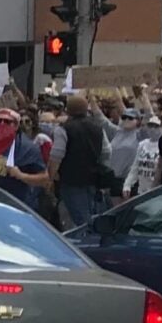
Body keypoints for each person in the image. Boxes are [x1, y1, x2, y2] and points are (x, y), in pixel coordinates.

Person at [54, 92, 113, 230]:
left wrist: (52, 176)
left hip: (71, 180)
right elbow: (107, 152)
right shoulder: (98, 128)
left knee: (80, 220)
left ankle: (85, 244)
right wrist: (100, 168)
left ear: (67, 110)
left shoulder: (63, 130)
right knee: (92, 214)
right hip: (93, 180)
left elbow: (56, 155)